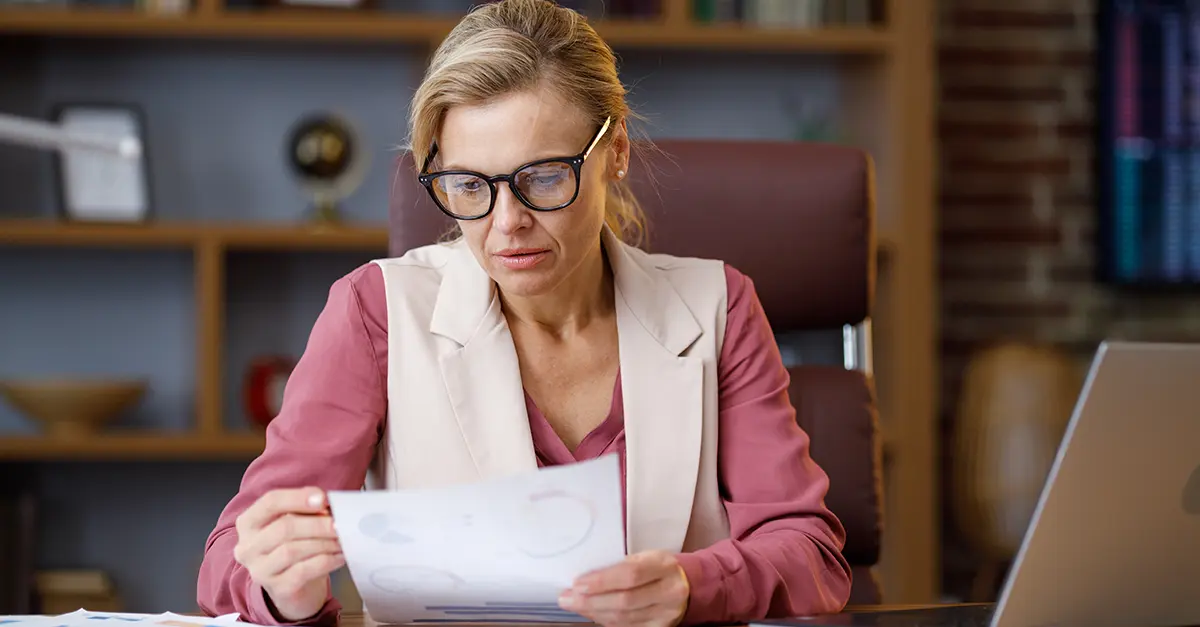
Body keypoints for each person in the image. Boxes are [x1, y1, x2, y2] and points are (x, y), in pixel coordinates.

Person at [196, 0, 853, 625]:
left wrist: (693, 586)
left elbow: (810, 554)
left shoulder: (718, 307)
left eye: (541, 178)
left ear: (614, 151)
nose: (506, 223)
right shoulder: (376, 311)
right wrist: (283, 587)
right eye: (468, 185)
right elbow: (230, 556)